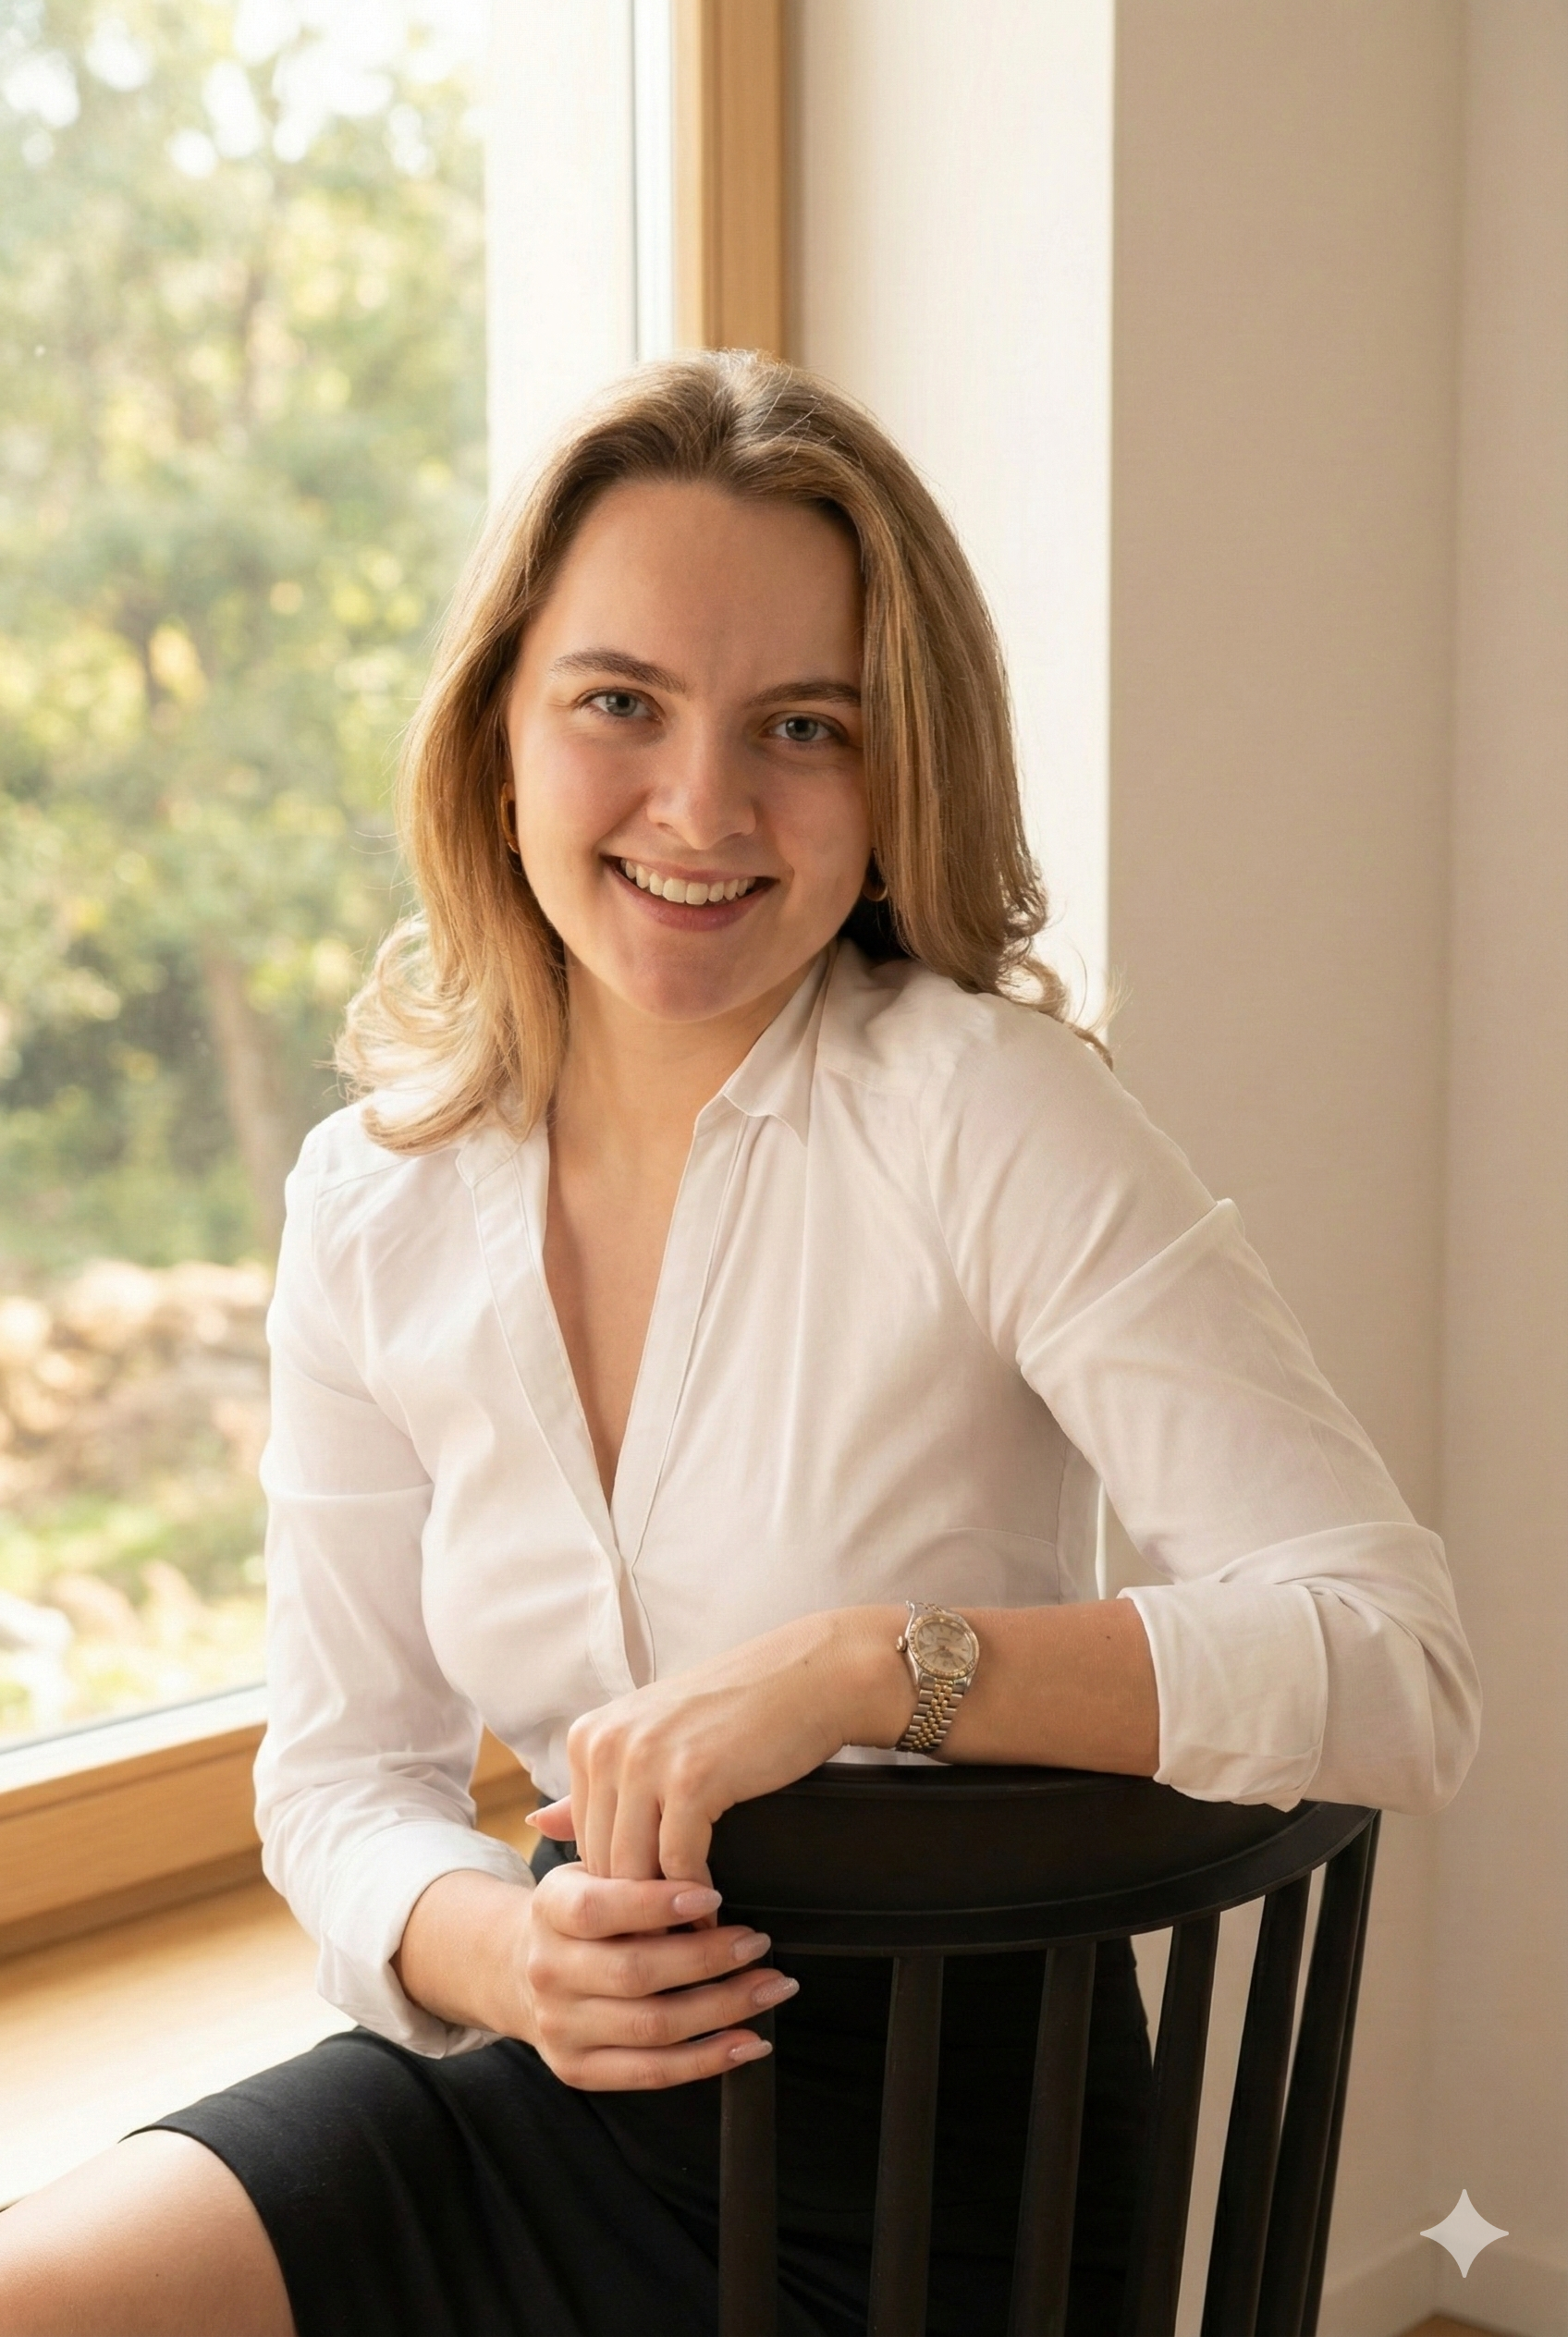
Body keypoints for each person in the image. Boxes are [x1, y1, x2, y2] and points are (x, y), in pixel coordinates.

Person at [0, 352, 1479, 2337]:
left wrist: (873, 1665)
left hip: (959, 2188)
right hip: (534, 2091)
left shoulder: (985, 1109)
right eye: (619, 702)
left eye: (802, 726)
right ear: (499, 730)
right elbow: (342, 1773)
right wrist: (491, 1957)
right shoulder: (373, 1198)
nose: (701, 807)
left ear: (892, 786)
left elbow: (1399, 1665)